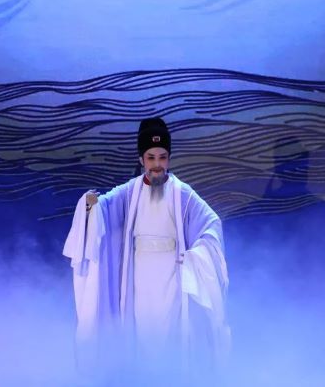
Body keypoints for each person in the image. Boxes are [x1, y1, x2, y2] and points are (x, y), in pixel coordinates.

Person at [63, 117, 230, 374]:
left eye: (162, 158)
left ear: (169, 159)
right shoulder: (129, 192)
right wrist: (88, 206)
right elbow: (102, 210)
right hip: (138, 279)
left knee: (169, 334)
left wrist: (197, 255)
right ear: (141, 159)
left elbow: (211, 224)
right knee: (140, 331)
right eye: (151, 158)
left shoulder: (182, 193)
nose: (157, 165)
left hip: (172, 278)